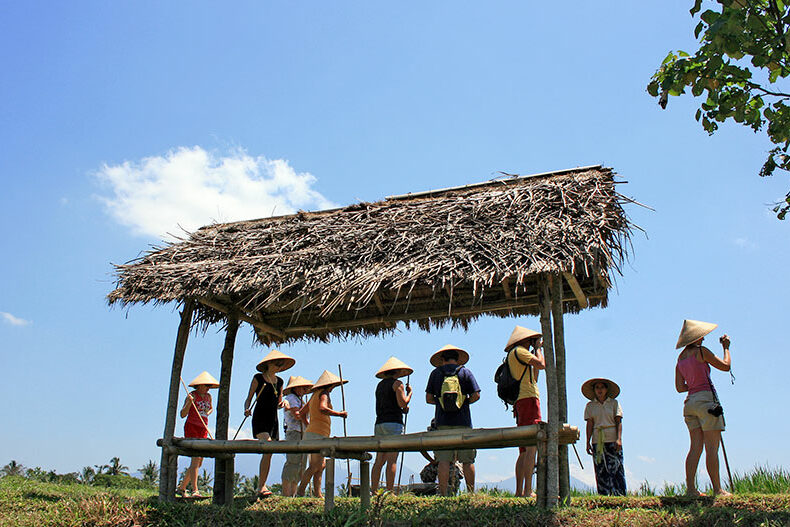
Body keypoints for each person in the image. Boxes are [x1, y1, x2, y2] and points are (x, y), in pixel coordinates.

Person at [674, 319, 732, 497]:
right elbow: (726, 366)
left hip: (690, 402)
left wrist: (693, 384)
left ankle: (691, 489)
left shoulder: (681, 358)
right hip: (706, 400)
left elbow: (679, 387)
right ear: (697, 338)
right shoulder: (701, 352)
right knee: (711, 448)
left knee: (695, 447)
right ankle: (717, 489)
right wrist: (726, 348)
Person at [425, 344, 480, 495]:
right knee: (468, 460)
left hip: (442, 423)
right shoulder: (465, 372)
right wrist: (463, 402)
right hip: (463, 422)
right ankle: (470, 493)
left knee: (443, 460)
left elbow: (428, 399)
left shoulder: (435, 374)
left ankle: (443, 493)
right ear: (457, 359)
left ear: (442, 359)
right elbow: (476, 395)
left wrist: (440, 402)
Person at [244, 349, 295, 499]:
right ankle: (261, 486)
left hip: (273, 420)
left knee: (269, 452)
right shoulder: (258, 378)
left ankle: (262, 485)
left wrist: (284, 402)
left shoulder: (279, 381)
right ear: (268, 364)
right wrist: (246, 408)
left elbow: (279, 402)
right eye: (277, 364)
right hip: (260, 417)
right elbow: (248, 398)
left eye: (281, 365)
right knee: (266, 445)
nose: (279, 367)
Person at [504, 326, 545, 498]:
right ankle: (528, 490)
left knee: (523, 450)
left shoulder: (514, 355)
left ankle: (520, 490)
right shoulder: (520, 351)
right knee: (531, 447)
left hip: (521, 401)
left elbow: (534, 376)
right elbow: (541, 365)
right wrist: (538, 349)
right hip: (528, 400)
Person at [297, 370, 349, 497]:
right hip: (317, 434)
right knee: (316, 465)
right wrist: (339, 414)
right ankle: (301, 491)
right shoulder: (324, 394)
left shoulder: (315, 394)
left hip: (313, 433)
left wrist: (308, 424)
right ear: (330, 385)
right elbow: (322, 408)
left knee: (321, 465)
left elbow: (301, 413)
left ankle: (318, 493)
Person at [370, 357, 413, 493]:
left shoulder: (380, 385)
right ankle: (389, 491)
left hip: (380, 423)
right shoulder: (397, 384)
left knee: (379, 460)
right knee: (392, 459)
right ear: (398, 372)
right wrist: (410, 393)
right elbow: (403, 403)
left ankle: (374, 490)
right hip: (393, 423)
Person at [176, 371, 219, 497]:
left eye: (209, 386)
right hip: (192, 427)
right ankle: (195, 490)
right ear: (199, 385)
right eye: (206, 386)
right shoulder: (192, 395)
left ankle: (182, 487)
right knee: (195, 460)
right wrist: (189, 402)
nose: (207, 388)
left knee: (199, 461)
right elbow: (182, 414)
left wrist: (208, 411)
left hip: (203, 427)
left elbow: (210, 408)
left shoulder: (208, 397)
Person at [582, 377, 626, 496]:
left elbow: (618, 421)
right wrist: (588, 441)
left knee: (616, 467)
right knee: (601, 469)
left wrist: (619, 439)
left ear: (606, 389)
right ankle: (604, 494)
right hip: (598, 439)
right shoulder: (590, 406)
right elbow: (590, 424)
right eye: (597, 388)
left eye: (602, 387)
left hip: (612, 437)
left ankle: (620, 494)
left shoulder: (613, 403)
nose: (599, 390)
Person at [280, 375, 313, 497]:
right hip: (294, 432)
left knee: (301, 464)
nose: (304, 390)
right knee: (293, 462)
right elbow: (297, 415)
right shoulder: (291, 399)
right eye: (303, 388)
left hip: (302, 432)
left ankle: (293, 493)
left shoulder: (299, 400)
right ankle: (286, 493)